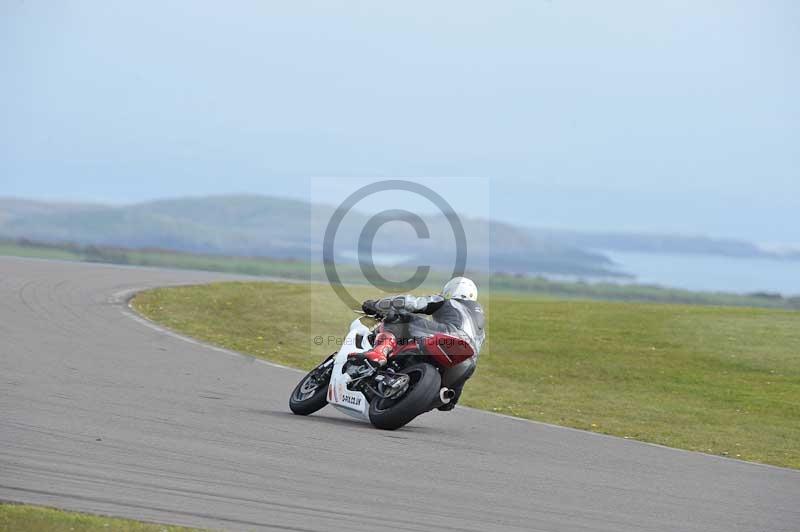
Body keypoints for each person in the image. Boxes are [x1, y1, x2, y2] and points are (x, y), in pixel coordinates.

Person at [354, 276, 485, 410]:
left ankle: (380, 352)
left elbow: (411, 303)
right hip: (468, 360)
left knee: (399, 319)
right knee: (447, 404)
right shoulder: (480, 321)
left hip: (448, 336)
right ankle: (438, 396)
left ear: (449, 291)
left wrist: (375, 305)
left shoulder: (447, 301)